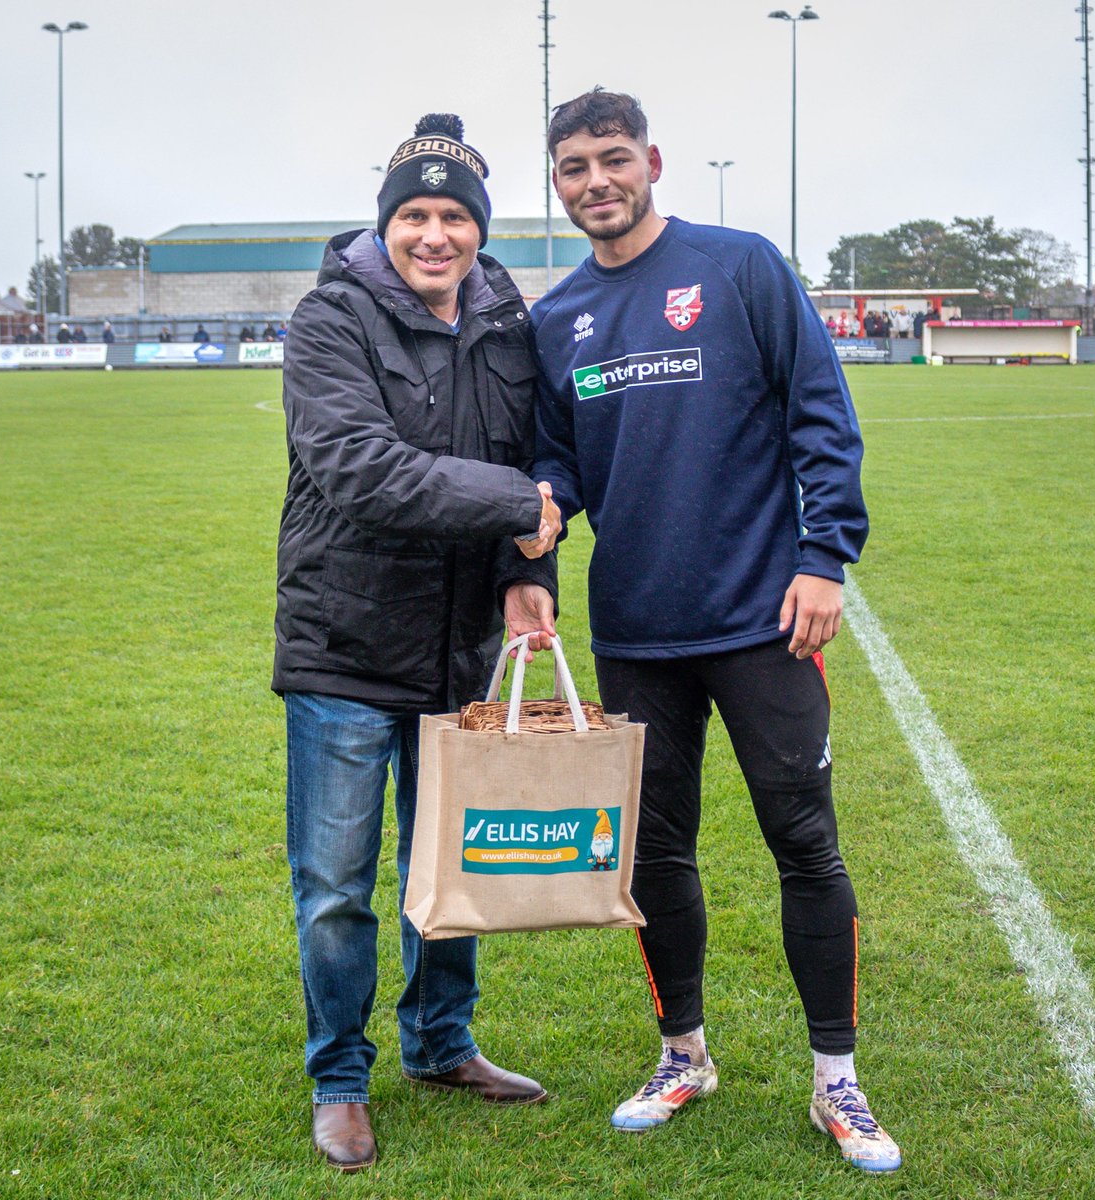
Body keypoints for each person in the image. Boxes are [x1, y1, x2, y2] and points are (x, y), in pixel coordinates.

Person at [530, 87, 899, 1174]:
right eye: (572, 168)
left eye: (611, 158)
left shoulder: (740, 267)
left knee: (806, 846)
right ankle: (682, 1053)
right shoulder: (556, 320)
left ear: (651, 159)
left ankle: (838, 1078)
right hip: (637, 633)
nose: (595, 181)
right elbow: (555, 466)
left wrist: (824, 555)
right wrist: (539, 533)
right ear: (556, 184)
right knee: (655, 853)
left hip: (763, 622)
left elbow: (820, 414)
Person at [273, 111, 561, 1175]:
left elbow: (529, 467)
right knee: (340, 884)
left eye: (453, 217)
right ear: (384, 225)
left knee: (449, 867)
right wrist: (519, 503)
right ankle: (340, 1078)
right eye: (413, 215)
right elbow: (361, 469)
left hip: (458, 650)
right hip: (345, 645)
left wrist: (529, 569)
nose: (433, 235)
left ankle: (442, 1045)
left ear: (479, 230)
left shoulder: (507, 326)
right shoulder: (327, 320)